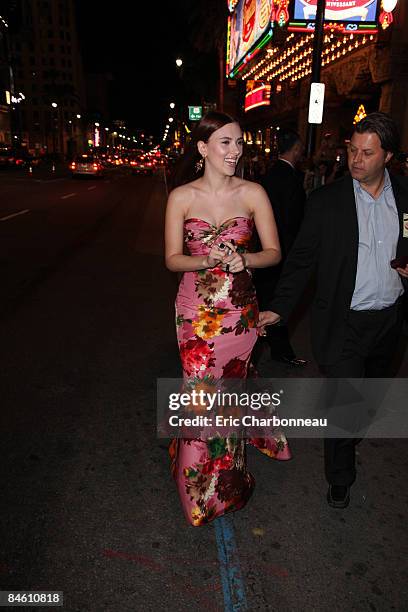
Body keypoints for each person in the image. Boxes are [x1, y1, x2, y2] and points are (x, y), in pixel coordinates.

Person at [258, 112, 408, 509]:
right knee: (345, 403)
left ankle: (352, 431)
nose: (356, 160)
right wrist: (278, 309)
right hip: (345, 322)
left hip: (391, 320)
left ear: (388, 156)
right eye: (352, 150)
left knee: (369, 400)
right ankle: (340, 477)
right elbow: (302, 261)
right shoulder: (327, 201)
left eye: (367, 153)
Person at [165, 111, 291, 526]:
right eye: (225, 142)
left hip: (239, 312)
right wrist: (206, 259)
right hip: (194, 313)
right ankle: (197, 491)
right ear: (203, 148)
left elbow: (273, 252)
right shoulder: (181, 197)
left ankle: (229, 483)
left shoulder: (253, 192)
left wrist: (245, 259)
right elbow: (171, 260)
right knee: (202, 398)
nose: (235, 150)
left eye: (239, 142)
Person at [254, 129, 307, 367]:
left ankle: (270, 346)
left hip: (264, 248)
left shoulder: (270, 174)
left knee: (266, 298)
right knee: (278, 300)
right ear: (296, 149)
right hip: (283, 249)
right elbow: (293, 218)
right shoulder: (291, 178)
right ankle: (278, 349)